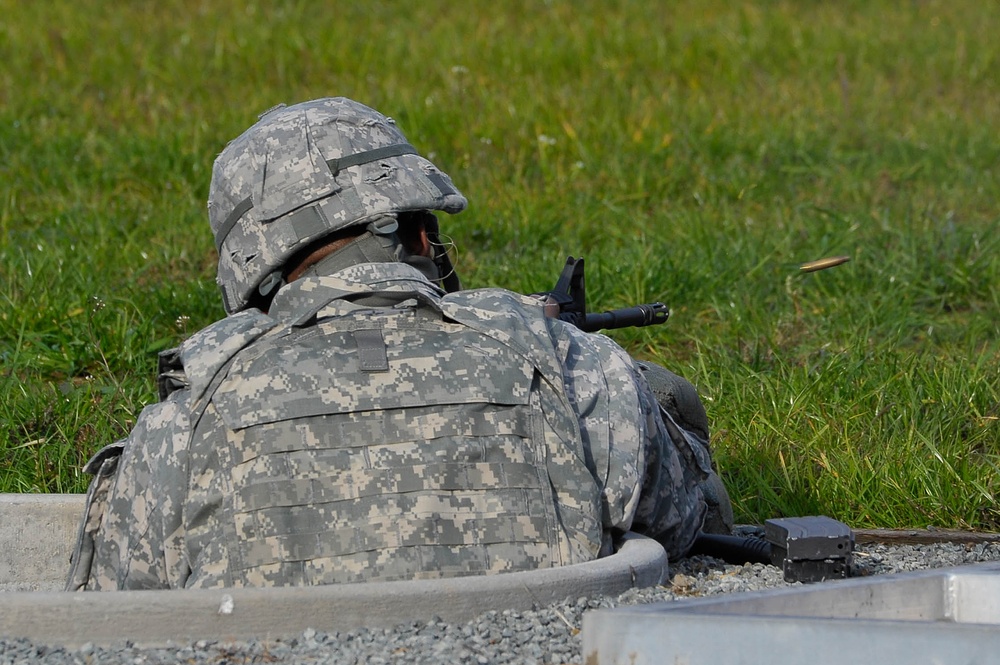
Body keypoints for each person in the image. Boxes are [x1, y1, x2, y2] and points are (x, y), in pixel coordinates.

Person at [66, 97, 730, 591]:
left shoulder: (183, 419)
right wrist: (656, 395)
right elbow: (682, 526)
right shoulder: (573, 369)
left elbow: (119, 615)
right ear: (415, 235)